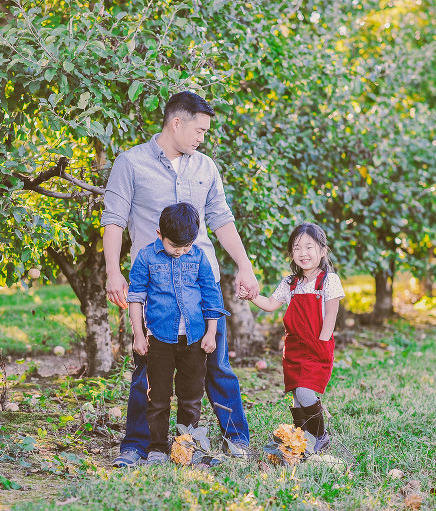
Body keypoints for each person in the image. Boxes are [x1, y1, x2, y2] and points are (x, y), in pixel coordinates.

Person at [102, 90, 260, 468]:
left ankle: (234, 438)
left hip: (199, 287)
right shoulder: (132, 163)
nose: (203, 138)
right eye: (200, 129)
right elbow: (114, 219)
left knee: (216, 362)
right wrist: (113, 272)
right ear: (177, 123)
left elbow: (221, 219)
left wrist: (244, 264)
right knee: (147, 370)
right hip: (152, 288)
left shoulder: (205, 167)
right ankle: (138, 446)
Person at [127, 203, 229, 464]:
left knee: (191, 397)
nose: (181, 252)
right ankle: (158, 448)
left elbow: (211, 295)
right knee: (158, 397)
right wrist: (139, 335)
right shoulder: (146, 257)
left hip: (195, 339)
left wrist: (211, 332)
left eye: (186, 247)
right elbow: (136, 297)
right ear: (159, 234)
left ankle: (186, 447)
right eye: (175, 247)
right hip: (159, 339)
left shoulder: (198, 257)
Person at [247, 222, 345, 452]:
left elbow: (331, 314)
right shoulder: (290, 283)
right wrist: (251, 296)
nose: (303, 253)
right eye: (297, 247)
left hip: (317, 346)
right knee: (297, 395)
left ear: (322, 251)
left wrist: (321, 341)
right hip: (294, 348)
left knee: (305, 391)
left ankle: (320, 436)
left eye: (309, 247)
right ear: (291, 253)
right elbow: (270, 305)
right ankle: (302, 440)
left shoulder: (328, 281)